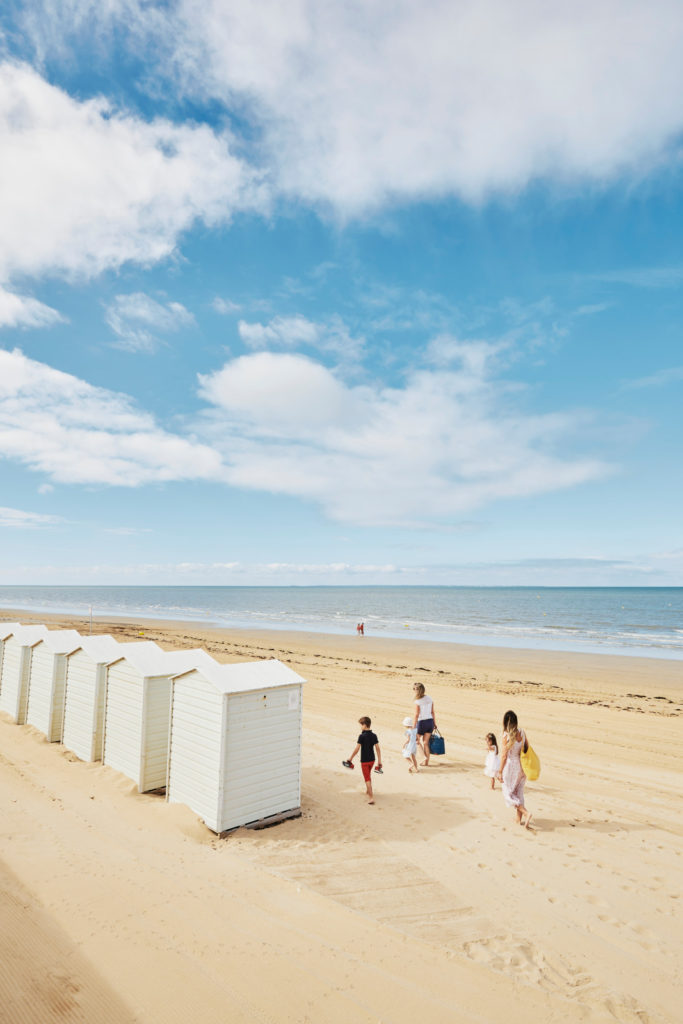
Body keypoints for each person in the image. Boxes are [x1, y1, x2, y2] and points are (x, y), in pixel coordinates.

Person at [497, 710, 533, 829]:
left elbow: (504, 756)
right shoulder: (522, 732)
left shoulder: (506, 736)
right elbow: (527, 746)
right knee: (519, 792)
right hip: (522, 766)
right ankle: (518, 819)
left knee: (508, 793)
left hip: (511, 767)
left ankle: (526, 813)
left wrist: (500, 771)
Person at [344, 716, 382, 804]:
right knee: (368, 775)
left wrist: (350, 758)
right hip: (372, 760)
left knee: (367, 778)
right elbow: (378, 749)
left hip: (364, 761)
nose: (360, 727)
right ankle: (367, 790)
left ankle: (371, 797)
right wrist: (379, 761)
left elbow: (357, 749)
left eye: (361, 725)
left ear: (365, 725)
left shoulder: (361, 736)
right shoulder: (374, 735)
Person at [412, 683, 437, 766]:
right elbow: (432, 712)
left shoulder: (418, 701)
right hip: (430, 722)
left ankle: (423, 757)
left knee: (416, 741)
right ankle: (426, 762)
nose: (413, 690)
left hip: (422, 723)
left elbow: (416, 715)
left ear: (418, 690)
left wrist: (413, 726)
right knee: (426, 743)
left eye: (414, 689)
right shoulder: (430, 698)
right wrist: (434, 723)